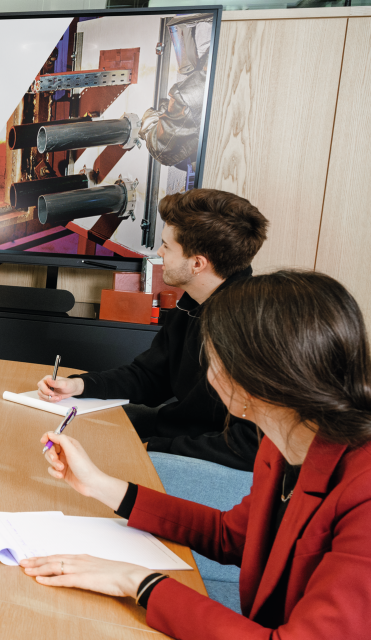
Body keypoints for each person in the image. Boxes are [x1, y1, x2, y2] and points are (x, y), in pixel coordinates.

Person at [23, 270, 371, 638]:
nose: (208, 372)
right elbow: (229, 537)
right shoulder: (285, 440)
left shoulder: (361, 492)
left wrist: (138, 582)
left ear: (255, 376)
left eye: (213, 356)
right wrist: (99, 485)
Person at [38, 188, 269, 470]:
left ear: (197, 263)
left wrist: (151, 449)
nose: (159, 253)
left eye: (167, 246)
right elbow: (149, 376)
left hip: (200, 460)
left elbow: (249, 444)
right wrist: (80, 385)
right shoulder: (191, 304)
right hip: (172, 435)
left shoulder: (255, 328)